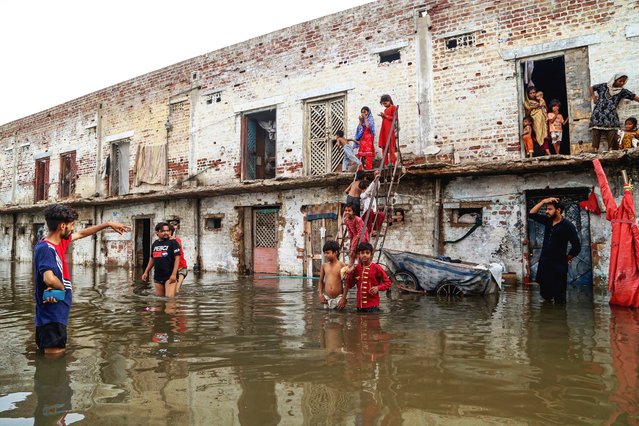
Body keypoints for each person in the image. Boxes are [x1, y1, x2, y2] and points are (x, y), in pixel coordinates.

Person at [33, 204, 129, 354]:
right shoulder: (47, 248)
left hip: (53, 314)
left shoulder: (57, 243)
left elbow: (82, 234)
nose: (73, 229)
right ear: (62, 226)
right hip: (52, 317)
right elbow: (49, 279)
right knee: (53, 361)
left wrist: (107, 224)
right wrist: (61, 288)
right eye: (72, 225)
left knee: (51, 357)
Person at [529, 198, 581, 303]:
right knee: (545, 295)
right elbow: (532, 214)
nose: (547, 212)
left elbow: (577, 246)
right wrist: (543, 201)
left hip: (559, 265)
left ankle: (560, 318)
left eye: (549, 209)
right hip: (544, 264)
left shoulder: (568, 226)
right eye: (546, 209)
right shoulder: (548, 221)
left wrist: (569, 257)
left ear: (558, 210)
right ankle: (547, 317)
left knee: (559, 297)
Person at [589, 73, 639, 152]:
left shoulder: (622, 91)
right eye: (620, 81)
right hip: (598, 114)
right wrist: (593, 97)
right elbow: (591, 87)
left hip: (611, 115)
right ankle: (595, 151)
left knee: (612, 132)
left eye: (623, 82)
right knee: (596, 131)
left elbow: (634, 96)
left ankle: (611, 151)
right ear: (615, 80)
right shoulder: (603, 86)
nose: (622, 83)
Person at [343, 242, 391, 312]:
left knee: (372, 322)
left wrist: (378, 288)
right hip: (360, 306)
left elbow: (388, 283)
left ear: (371, 254)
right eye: (362, 253)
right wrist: (349, 273)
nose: (364, 255)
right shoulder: (357, 268)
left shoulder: (377, 268)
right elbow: (350, 285)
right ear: (359, 255)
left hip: (373, 306)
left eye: (367, 253)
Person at [141, 222, 181, 298]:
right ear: (157, 232)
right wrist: (146, 272)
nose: (165, 233)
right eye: (162, 231)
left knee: (169, 299)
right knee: (159, 300)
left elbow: (177, 258)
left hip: (170, 275)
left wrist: (173, 275)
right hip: (158, 276)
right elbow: (152, 258)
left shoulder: (173, 242)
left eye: (167, 231)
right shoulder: (155, 244)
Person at [318, 240, 347, 310]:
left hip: (339, 298)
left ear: (335, 253)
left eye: (328, 253)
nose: (325, 255)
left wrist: (344, 298)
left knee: (340, 318)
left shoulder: (342, 265)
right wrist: (320, 295)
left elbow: (346, 283)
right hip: (327, 298)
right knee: (326, 317)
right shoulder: (324, 266)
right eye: (324, 253)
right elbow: (321, 281)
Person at [523, 86, 549, 155]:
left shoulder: (539, 99)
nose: (532, 94)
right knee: (537, 135)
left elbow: (545, 109)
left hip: (543, 119)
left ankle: (546, 153)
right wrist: (532, 107)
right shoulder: (527, 102)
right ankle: (538, 153)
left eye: (534, 92)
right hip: (535, 120)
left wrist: (543, 105)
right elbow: (527, 114)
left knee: (545, 135)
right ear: (528, 94)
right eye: (530, 93)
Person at [360, 170, 385, 236]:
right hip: (365, 216)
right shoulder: (362, 195)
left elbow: (377, 187)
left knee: (381, 214)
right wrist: (374, 180)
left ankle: (375, 230)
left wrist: (377, 179)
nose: (367, 189)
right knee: (370, 211)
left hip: (372, 215)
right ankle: (370, 230)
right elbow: (368, 191)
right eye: (365, 188)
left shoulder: (372, 195)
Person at [378, 95, 398, 166]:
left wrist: (385, 116)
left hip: (390, 130)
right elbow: (386, 119)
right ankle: (385, 163)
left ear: (389, 100)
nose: (384, 105)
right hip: (384, 129)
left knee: (390, 145)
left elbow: (395, 118)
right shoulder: (385, 110)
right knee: (384, 145)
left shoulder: (393, 107)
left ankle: (393, 161)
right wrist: (383, 116)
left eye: (385, 103)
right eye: (383, 104)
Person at [168, 223, 188, 294]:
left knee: (176, 289)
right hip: (171, 269)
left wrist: (174, 240)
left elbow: (179, 245)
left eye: (168, 231)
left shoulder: (176, 240)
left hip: (181, 268)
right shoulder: (163, 243)